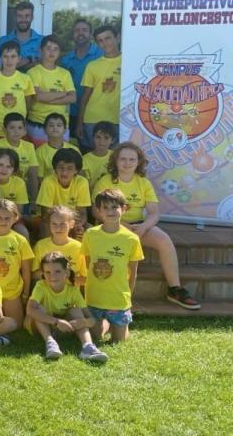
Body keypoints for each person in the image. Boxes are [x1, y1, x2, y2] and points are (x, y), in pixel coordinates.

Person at [92, 143, 198, 309]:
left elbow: (154, 213)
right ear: (115, 160)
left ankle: (174, 289)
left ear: (138, 162)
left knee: (164, 240)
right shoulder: (105, 181)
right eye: (123, 159)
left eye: (132, 159)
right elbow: (96, 212)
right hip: (112, 225)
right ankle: (115, 297)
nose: (127, 163)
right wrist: (124, 225)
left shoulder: (143, 183)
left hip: (138, 227)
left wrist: (142, 228)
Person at [82, 189, 143, 342]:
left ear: (123, 209)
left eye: (114, 207)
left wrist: (128, 296)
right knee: (95, 337)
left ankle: (116, 324)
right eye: (105, 208)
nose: (110, 211)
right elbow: (89, 265)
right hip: (94, 297)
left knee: (119, 341)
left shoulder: (132, 239)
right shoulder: (90, 234)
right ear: (98, 211)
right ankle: (105, 323)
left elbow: (133, 271)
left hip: (118, 299)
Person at [27, 252, 108, 361]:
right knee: (37, 309)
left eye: (57, 271)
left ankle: (88, 347)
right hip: (44, 328)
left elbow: (91, 319)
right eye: (48, 272)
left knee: (76, 311)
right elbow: (30, 310)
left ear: (66, 272)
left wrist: (83, 322)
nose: (52, 276)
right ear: (43, 273)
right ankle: (50, 343)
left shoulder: (72, 290)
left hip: (65, 329)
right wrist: (57, 322)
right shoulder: (41, 286)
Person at [75, 25, 122, 150]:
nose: (105, 43)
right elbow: (85, 97)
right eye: (100, 41)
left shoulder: (129, 62)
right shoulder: (92, 66)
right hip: (93, 119)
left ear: (117, 38)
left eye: (108, 38)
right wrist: (79, 123)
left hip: (119, 120)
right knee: (93, 156)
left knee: (114, 159)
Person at [0, 41, 35, 146]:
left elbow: (28, 102)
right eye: (5, 56)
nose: (9, 60)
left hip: (18, 129)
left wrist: (22, 116)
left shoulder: (25, 78)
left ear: (19, 58)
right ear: (0, 58)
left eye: (13, 56)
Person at [26, 36, 76, 145]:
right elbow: (38, 96)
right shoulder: (33, 72)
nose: (52, 52)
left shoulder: (65, 73)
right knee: (38, 158)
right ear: (41, 50)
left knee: (60, 159)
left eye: (56, 49)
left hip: (61, 126)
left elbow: (72, 97)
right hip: (38, 124)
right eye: (48, 48)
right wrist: (63, 93)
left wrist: (48, 98)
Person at [59, 18, 102, 133]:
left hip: (94, 114)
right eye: (77, 30)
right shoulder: (66, 59)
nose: (80, 33)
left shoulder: (100, 55)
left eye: (84, 30)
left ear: (90, 34)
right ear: (73, 34)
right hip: (70, 112)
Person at [36, 147, 91, 230]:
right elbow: (45, 214)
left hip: (72, 220)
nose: (64, 172)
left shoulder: (82, 182)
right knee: (45, 226)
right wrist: (65, 225)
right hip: (53, 220)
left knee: (89, 227)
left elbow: (82, 213)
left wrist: (78, 224)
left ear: (76, 170)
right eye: (61, 167)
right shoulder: (48, 182)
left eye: (70, 168)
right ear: (55, 169)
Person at [33, 205, 87, 286]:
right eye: (54, 224)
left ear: (72, 224)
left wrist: (67, 277)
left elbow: (85, 279)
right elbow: (34, 275)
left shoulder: (79, 247)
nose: (58, 228)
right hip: (46, 296)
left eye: (62, 224)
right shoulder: (40, 246)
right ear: (49, 224)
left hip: (70, 296)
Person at [0, 1, 42, 70]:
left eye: (27, 16)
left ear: (32, 17)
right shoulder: (3, 41)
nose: (23, 19)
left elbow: (43, 65)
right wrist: (30, 60)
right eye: (20, 16)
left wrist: (13, 65)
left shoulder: (42, 40)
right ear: (15, 17)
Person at [82, 122, 114, 187]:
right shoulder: (84, 159)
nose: (102, 141)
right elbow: (85, 186)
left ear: (112, 140)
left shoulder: (115, 156)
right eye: (98, 137)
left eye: (106, 138)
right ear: (93, 138)